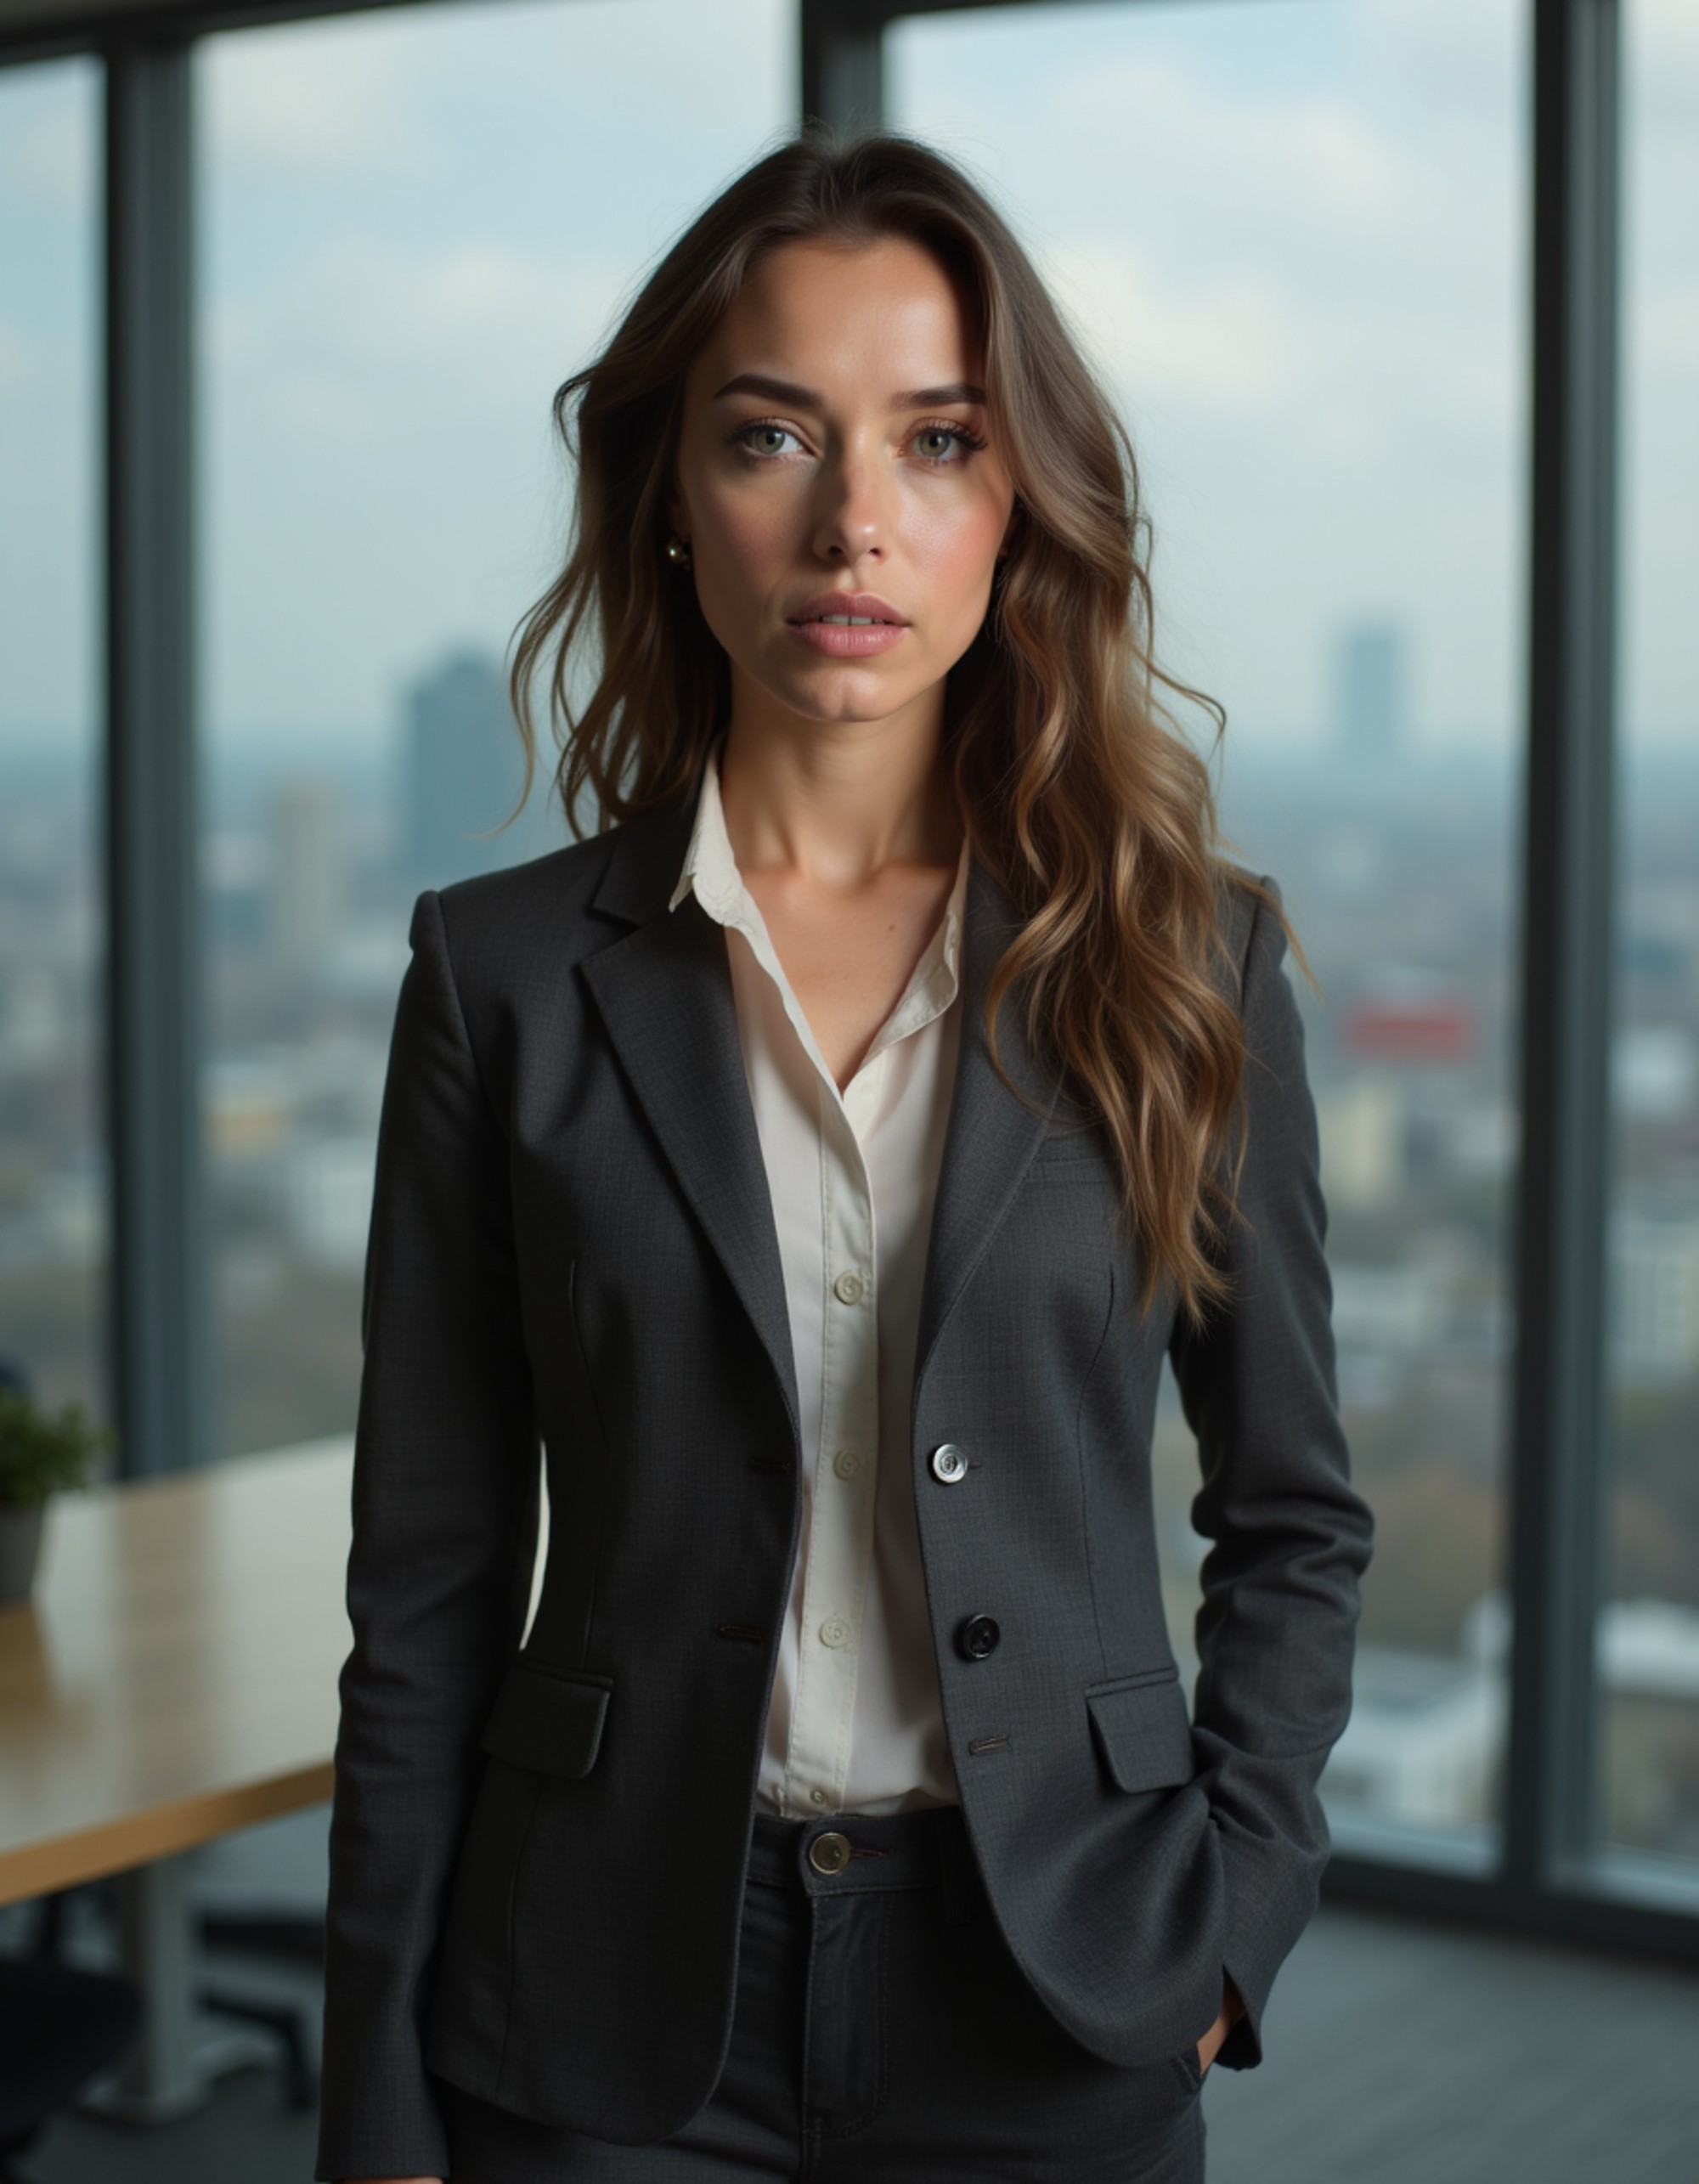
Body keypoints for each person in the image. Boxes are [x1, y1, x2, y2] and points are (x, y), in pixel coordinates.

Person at [316, 124, 1373, 2184]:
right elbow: (426, 1583)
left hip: (1059, 1973)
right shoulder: (501, 975)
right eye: (776, 436)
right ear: (673, 496)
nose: (854, 525)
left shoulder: (1180, 956)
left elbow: (1294, 1509)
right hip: (603, 1994)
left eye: (940, 440)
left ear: (1021, 508)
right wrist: (372, 2088)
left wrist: (1232, 1919)